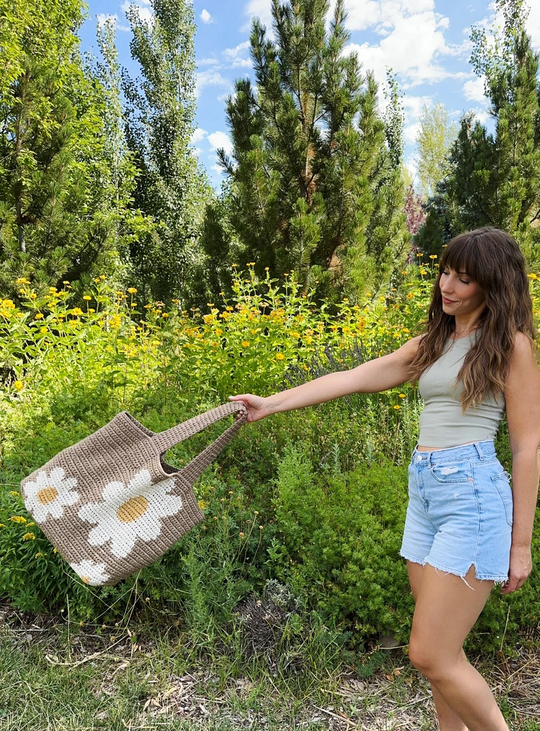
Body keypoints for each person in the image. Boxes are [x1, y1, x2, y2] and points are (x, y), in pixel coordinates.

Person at [230, 227, 540, 731]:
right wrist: (271, 404)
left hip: (472, 497)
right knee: (442, 659)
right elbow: (354, 376)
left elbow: (528, 448)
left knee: (430, 655)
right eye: (445, 272)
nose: (448, 286)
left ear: (493, 286)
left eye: (464, 279)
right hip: (426, 495)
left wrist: (520, 543)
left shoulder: (511, 345)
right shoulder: (436, 342)